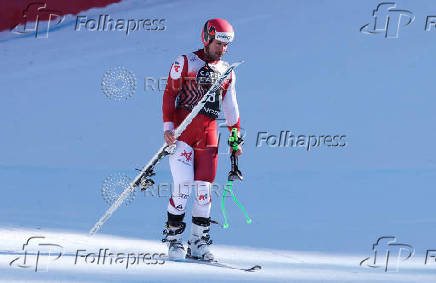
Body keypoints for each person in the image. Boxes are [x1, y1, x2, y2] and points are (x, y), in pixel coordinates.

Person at [161, 18, 242, 261]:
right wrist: (168, 128)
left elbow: (231, 109)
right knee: (183, 186)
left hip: (208, 137)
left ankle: (198, 242)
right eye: (218, 43)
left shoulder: (226, 71)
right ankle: (174, 240)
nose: (222, 49)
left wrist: (235, 140)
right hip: (182, 135)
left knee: (204, 193)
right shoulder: (185, 62)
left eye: (226, 45)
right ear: (206, 38)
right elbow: (169, 94)